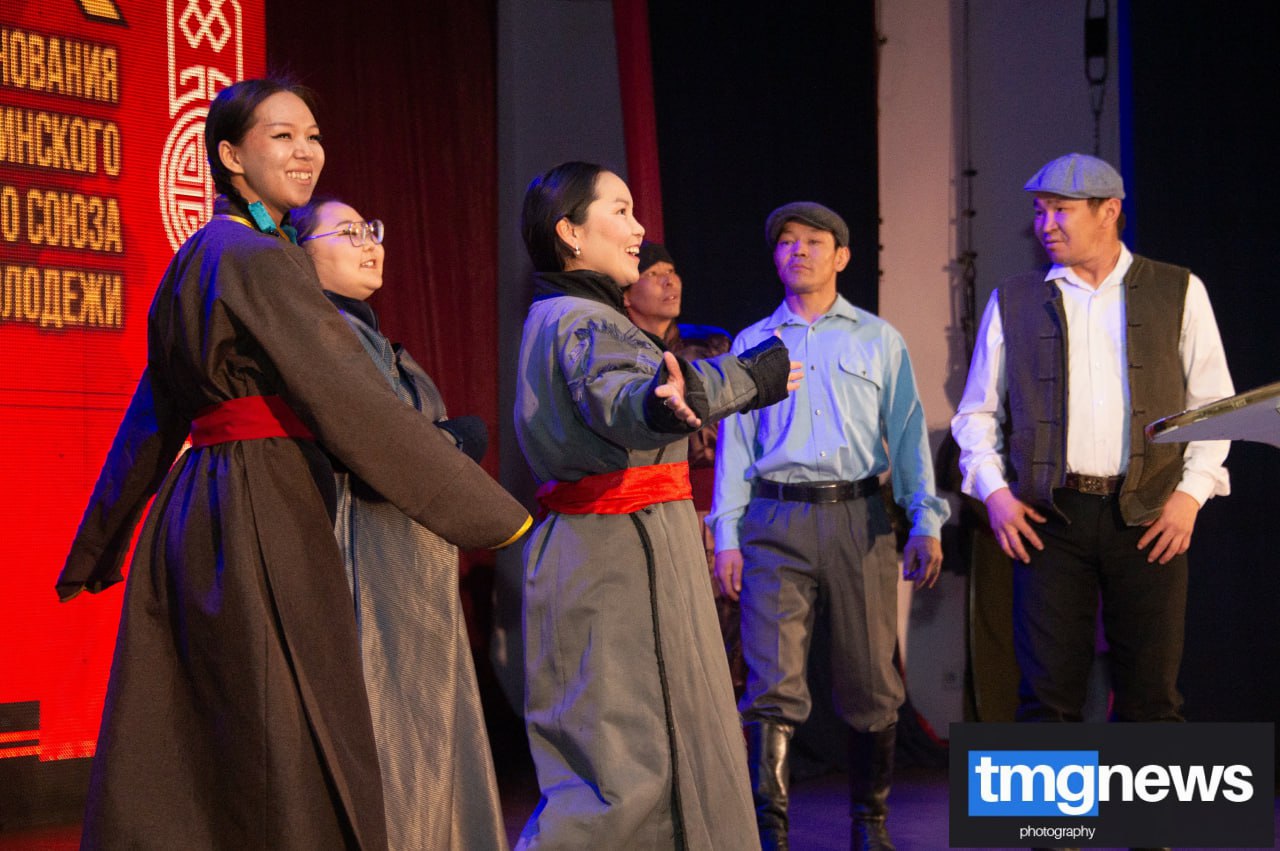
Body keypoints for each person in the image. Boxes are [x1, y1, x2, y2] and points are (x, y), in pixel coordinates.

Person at [56, 79, 530, 849]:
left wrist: (100, 543)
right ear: (230, 155)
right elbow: (353, 399)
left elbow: (151, 417)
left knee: (220, 728)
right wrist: (491, 513)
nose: (306, 151)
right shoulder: (262, 257)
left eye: (312, 135)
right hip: (261, 498)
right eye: (281, 136)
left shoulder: (197, 257)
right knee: (289, 725)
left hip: (197, 505)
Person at [513, 162, 799, 850]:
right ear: (570, 233)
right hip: (617, 556)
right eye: (619, 210)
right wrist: (727, 382)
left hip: (621, 547)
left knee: (643, 754)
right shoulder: (583, 320)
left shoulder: (574, 315)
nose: (639, 227)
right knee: (628, 766)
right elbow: (622, 398)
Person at [950, 153, 1234, 729]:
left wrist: (1190, 495)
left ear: (1109, 211)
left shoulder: (1177, 289)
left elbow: (1213, 407)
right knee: (1046, 697)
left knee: (1152, 698)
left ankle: (1145, 796)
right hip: (1053, 517)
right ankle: (1054, 797)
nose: (1045, 224)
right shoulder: (1014, 299)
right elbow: (976, 412)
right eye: (1039, 211)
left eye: (1060, 210)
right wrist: (995, 494)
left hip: (1149, 512)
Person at [710, 202, 949, 851]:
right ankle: (769, 832)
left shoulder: (877, 338)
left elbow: (907, 435)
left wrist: (924, 519)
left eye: (814, 241)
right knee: (771, 684)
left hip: (858, 517)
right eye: (786, 241)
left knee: (871, 679)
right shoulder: (753, 342)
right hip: (774, 517)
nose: (799, 251)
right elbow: (735, 446)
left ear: (841, 256)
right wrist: (727, 536)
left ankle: (870, 825)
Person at [294, 197, 508, 850]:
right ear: (299, 254)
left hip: (419, 563)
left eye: (372, 230)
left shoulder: (384, 344)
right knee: (389, 731)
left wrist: (447, 442)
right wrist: (457, 440)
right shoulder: (321, 335)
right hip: (368, 553)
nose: (369, 243)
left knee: (435, 731)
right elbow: (378, 455)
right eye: (348, 232)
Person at [624, 241, 745, 695]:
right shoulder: (618, 348)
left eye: (672, 270)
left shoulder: (710, 345)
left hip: (708, 502)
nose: (669, 280)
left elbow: (737, 430)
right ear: (626, 291)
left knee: (721, 624)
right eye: (653, 273)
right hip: (641, 502)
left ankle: (729, 724)